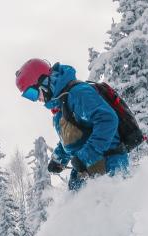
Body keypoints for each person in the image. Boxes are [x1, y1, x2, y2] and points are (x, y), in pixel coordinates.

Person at [15, 58, 129, 190]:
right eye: (29, 97)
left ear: (44, 82)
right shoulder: (61, 105)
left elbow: (108, 120)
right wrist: (59, 158)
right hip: (88, 171)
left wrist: (85, 157)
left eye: (32, 93)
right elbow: (76, 137)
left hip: (110, 167)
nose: (35, 100)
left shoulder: (78, 93)